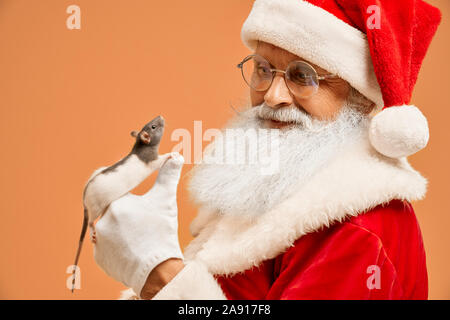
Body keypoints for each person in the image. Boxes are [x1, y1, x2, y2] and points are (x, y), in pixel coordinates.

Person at [92, 0, 441, 300]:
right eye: (263, 70)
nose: (273, 96)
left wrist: (160, 275)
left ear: (360, 100)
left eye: (302, 76)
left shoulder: (358, 228)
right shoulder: (282, 191)